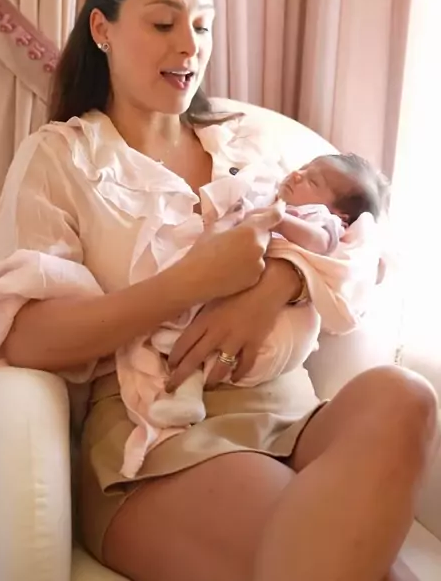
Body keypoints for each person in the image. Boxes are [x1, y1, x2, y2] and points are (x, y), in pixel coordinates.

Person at [0, 0, 437, 581]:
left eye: (203, 26)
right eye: (164, 23)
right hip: (160, 439)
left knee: (404, 397)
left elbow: (367, 244)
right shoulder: (62, 158)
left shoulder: (249, 145)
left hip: (292, 414)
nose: (189, 46)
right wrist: (190, 282)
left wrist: (278, 282)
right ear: (102, 29)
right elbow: (20, 337)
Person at [115, 151, 389, 480]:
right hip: (229, 322)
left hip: (272, 348)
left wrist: (278, 221)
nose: (297, 175)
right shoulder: (272, 193)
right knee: (177, 337)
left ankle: (187, 388)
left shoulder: (318, 216)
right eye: (303, 168)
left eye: (313, 180)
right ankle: (185, 396)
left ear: (341, 217)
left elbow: (322, 243)